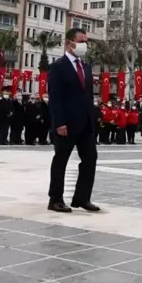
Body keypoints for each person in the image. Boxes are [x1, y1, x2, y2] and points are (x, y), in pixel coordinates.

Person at [47, 28, 99, 213]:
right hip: (66, 124)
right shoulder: (58, 66)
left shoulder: (85, 67)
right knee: (61, 160)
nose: (84, 45)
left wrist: (92, 120)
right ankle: (55, 199)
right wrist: (59, 122)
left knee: (90, 159)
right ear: (69, 43)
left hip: (85, 123)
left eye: (86, 41)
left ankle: (82, 198)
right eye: (81, 41)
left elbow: (88, 96)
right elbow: (55, 97)